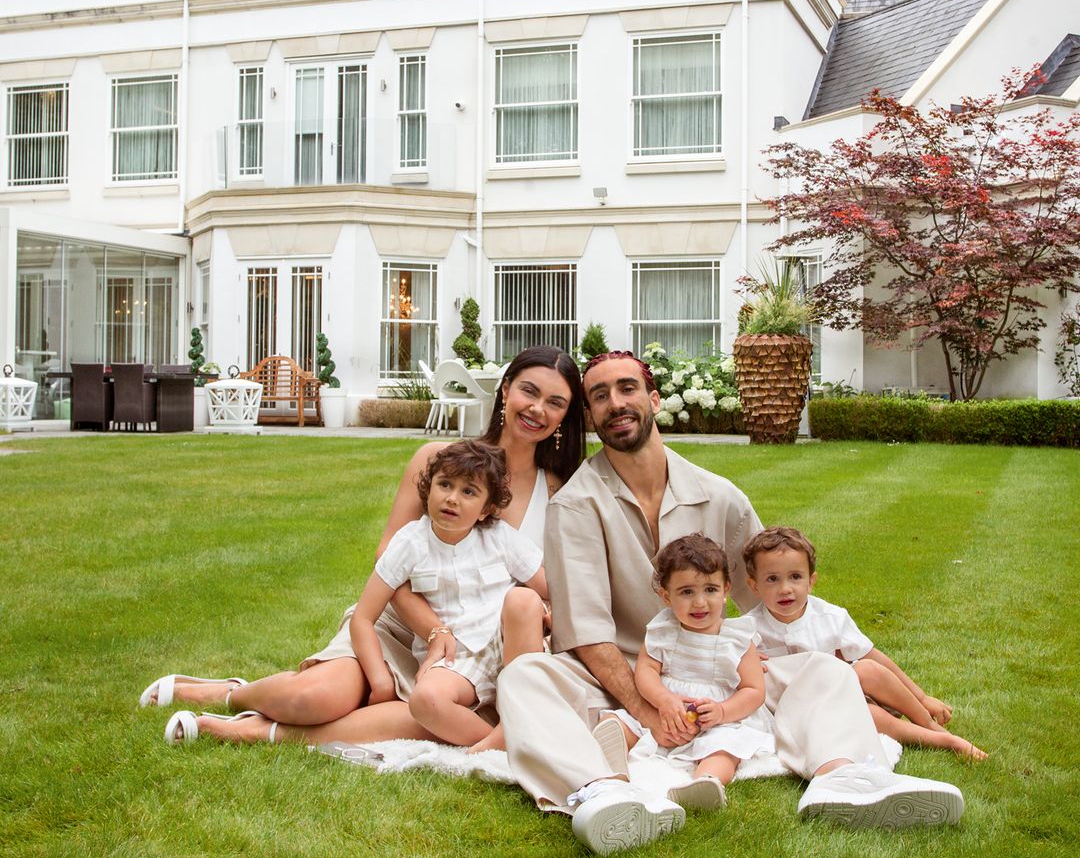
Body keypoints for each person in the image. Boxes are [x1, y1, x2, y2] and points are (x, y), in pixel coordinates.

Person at [496, 350, 964, 855]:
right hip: (626, 677)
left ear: (653, 399)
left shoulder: (720, 496)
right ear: (590, 415)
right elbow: (587, 634)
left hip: (717, 676)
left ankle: (844, 777)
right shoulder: (575, 505)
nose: (616, 403)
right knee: (523, 677)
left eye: (627, 388)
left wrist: (854, 671)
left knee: (824, 672)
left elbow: (776, 597)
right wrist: (650, 709)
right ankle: (602, 793)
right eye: (600, 395)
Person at [143, 346, 585, 746]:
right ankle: (234, 692)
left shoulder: (560, 490)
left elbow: (549, 586)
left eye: (556, 402)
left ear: (566, 416)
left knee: (429, 720)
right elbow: (388, 556)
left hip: (478, 656)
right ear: (506, 390)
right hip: (403, 624)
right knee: (313, 697)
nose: (537, 409)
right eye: (529, 391)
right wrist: (433, 631)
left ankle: (264, 732)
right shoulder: (440, 459)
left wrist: (541, 613)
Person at [742, 525, 987, 760]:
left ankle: (928, 723)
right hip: (802, 710)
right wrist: (746, 662)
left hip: (840, 691)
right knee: (866, 715)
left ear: (811, 581)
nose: (786, 589)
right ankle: (942, 741)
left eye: (795, 577)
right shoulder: (747, 630)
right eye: (772, 579)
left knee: (866, 668)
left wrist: (922, 698)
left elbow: (872, 656)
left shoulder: (830, 617)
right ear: (754, 586)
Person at [594, 533, 774, 812]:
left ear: (726, 590)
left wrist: (723, 712)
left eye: (710, 590)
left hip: (718, 717)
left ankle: (706, 781)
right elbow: (646, 672)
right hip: (666, 709)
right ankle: (612, 768)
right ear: (666, 596)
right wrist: (664, 699)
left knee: (725, 745)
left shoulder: (737, 639)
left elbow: (754, 690)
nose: (700, 603)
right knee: (620, 722)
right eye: (687, 592)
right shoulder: (662, 631)